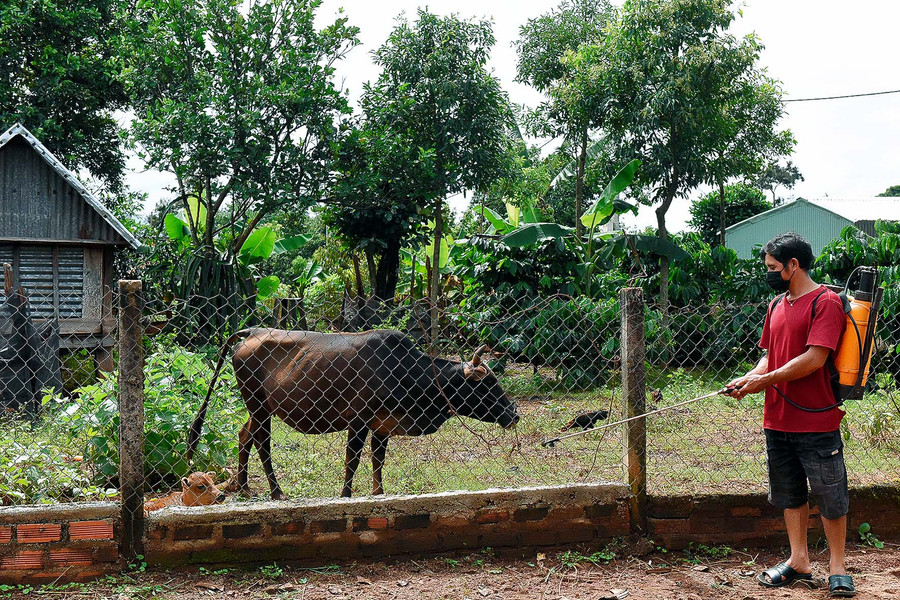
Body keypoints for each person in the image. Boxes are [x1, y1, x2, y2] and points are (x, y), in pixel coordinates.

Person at [728, 232, 855, 598]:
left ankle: (837, 568)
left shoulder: (825, 302)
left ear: (793, 265)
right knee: (790, 494)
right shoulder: (776, 305)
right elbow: (770, 356)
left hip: (816, 419)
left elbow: (815, 358)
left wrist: (765, 380)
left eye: (772, 267)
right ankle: (798, 561)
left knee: (831, 496)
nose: (768, 273)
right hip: (778, 419)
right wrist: (749, 378)